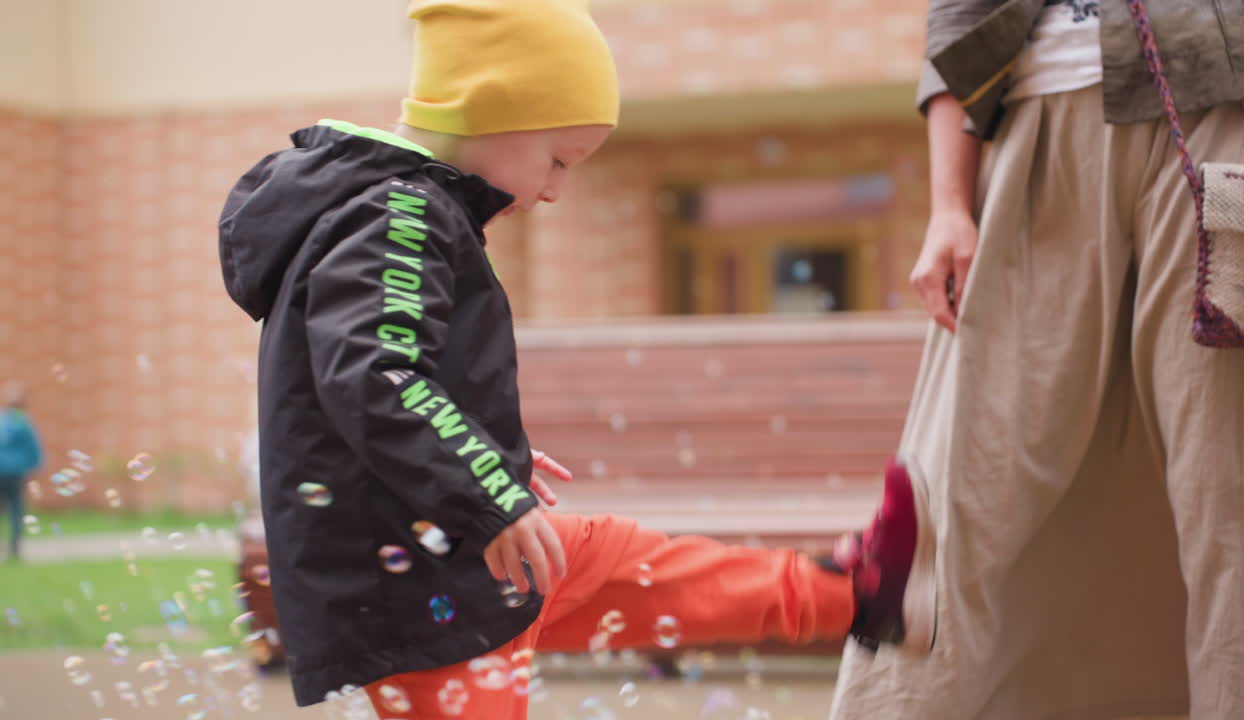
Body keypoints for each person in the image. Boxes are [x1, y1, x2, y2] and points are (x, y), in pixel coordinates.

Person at [217, 1, 936, 717]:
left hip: (439, 548)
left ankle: (855, 593)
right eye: (557, 159)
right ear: (491, 109)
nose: (557, 189)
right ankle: (851, 595)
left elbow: (389, 373)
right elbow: (377, 375)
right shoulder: (402, 213)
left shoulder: (390, 209)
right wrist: (488, 493)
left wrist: (490, 452)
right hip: (417, 587)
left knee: (620, 561)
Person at [829, 3, 1244, 720]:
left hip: (1223, 124)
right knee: (959, 479)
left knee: (1232, 482)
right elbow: (959, 19)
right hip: (1033, 123)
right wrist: (948, 204)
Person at [0, 381, 43, 562]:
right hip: (17, 473)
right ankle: (14, 548)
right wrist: (35, 466)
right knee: (16, 510)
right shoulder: (25, 422)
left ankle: (13, 546)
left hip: (2, 471)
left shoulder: (3, 420)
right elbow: (34, 448)